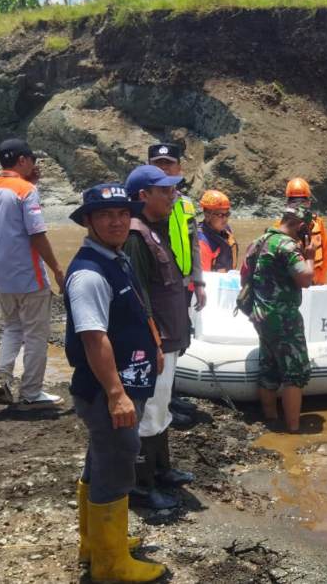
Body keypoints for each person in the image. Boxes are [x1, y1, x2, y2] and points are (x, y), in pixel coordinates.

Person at [63, 182, 165, 583]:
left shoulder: (114, 257)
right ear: (88, 221)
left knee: (100, 460)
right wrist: (117, 394)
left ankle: (99, 543)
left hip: (124, 384)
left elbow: (133, 310)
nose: (117, 220)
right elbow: (94, 338)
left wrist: (152, 345)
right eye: (106, 215)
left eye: (123, 213)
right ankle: (110, 566)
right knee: (117, 465)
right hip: (108, 392)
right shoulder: (88, 273)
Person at [123, 165, 196, 510]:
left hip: (170, 335)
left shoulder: (159, 228)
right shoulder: (136, 236)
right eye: (165, 191)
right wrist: (151, 341)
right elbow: (139, 297)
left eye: (172, 190)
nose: (172, 196)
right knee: (149, 410)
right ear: (143, 196)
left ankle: (163, 469)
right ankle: (141, 484)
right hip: (156, 341)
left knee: (162, 406)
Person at [0, 138, 64, 409]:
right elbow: (36, 233)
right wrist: (58, 269)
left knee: (13, 326)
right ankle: (31, 391)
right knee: (36, 333)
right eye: (33, 161)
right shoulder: (25, 190)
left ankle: (2, 377)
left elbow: (8, 218)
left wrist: (31, 183)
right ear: (24, 160)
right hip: (27, 274)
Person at [147, 143, 204, 423]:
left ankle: (170, 395)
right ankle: (161, 405)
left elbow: (194, 244)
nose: (163, 168)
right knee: (162, 342)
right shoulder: (144, 203)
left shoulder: (185, 203)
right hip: (160, 286)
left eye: (168, 163)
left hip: (183, 283)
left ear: (179, 169)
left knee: (180, 341)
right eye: (157, 163)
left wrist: (199, 282)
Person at [245, 206, 315, 432]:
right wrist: (310, 257)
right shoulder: (288, 246)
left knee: (269, 367)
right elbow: (305, 278)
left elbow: (245, 275)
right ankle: (293, 429)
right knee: (294, 374)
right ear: (301, 226)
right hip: (284, 318)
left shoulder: (259, 241)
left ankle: (271, 419)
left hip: (260, 314)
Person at [279, 177, 327, 285]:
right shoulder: (279, 227)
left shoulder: (318, 224)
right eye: (294, 201)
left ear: (309, 202)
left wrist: (320, 282)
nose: (299, 205)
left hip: (316, 282)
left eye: (302, 201)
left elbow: (325, 255)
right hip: (292, 285)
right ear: (287, 204)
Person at [198, 189, 239, 272]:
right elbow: (204, 277)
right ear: (207, 215)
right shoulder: (202, 242)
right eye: (220, 215)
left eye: (227, 214)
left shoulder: (226, 230)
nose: (225, 219)